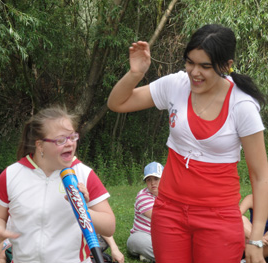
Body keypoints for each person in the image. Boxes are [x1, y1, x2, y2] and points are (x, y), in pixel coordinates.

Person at [107, 24, 268, 263]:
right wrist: (135, 73)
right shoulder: (176, 85)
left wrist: (255, 238)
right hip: (169, 212)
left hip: (218, 217)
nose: (194, 72)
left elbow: (260, 175)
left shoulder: (242, 105)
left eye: (205, 66)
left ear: (226, 65)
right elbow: (117, 103)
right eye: (190, 62)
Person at [0, 105, 116, 263]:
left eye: (72, 137)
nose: (69, 144)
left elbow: (109, 226)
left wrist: (82, 208)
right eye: (61, 140)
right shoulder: (12, 174)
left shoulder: (84, 174)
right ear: (40, 145)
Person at [126, 162, 163, 263]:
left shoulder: (170, 195)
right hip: (144, 234)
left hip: (164, 235)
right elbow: (159, 218)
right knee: (138, 241)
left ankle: (149, 257)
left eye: (156, 179)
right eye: (148, 180)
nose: (152, 183)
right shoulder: (143, 196)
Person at [240, 194, 268, 262]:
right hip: (249, 239)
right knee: (241, 219)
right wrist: (255, 239)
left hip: (266, 246)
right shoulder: (252, 198)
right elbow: (234, 217)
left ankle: (245, 261)